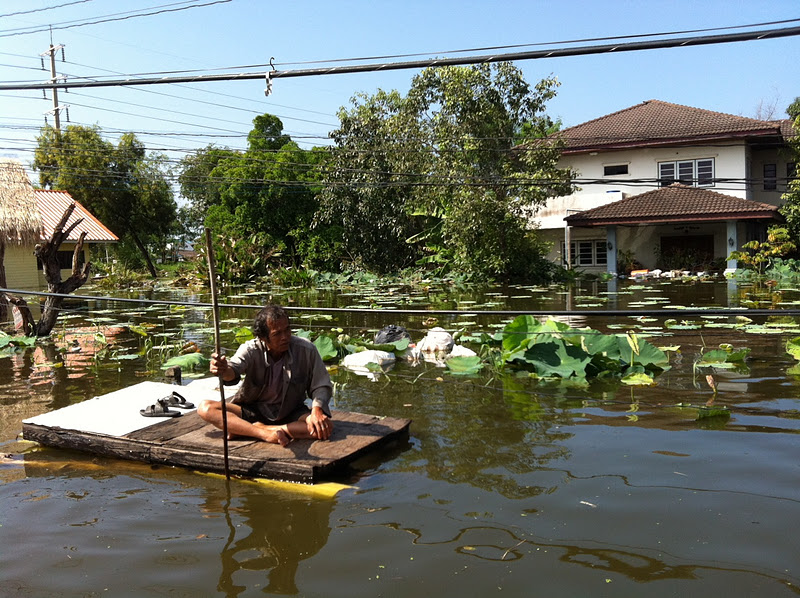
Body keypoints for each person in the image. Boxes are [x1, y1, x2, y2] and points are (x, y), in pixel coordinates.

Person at [197, 304, 333, 447]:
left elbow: (321, 385)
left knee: (323, 429)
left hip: (291, 411)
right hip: (253, 410)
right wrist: (223, 370)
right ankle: (264, 433)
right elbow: (233, 371)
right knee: (205, 408)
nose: (285, 337)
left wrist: (317, 409)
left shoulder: (306, 349)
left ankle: (250, 429)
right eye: (277, 334)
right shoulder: (250, 349)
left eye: (287, 330)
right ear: (263, 337)